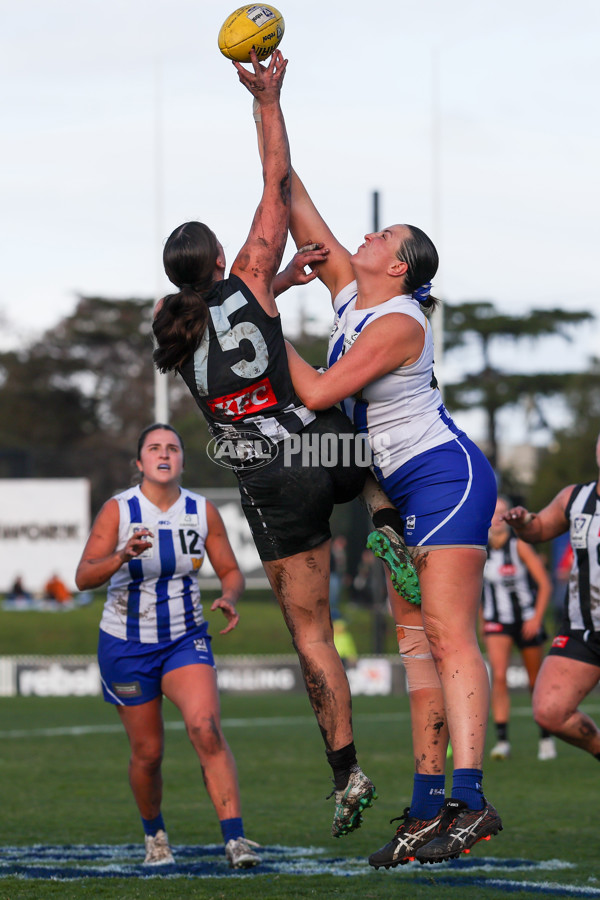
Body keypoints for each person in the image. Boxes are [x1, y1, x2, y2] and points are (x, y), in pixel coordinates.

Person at [151, 50, 415, 838]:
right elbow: (278, 179)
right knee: (356, 404)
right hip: (326, 448)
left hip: (271, 479)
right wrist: (267, 97)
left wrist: (272, 297)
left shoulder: (172, 326)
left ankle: (348, 773)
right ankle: (384, 513)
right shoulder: (253, 276)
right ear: (224, 261)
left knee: (309, 633)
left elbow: (212, 329)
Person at [272, 129, 502, 864]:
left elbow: (312, 390)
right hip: (403, 495)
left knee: (446, 634)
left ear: (398, 265)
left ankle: (471, 802)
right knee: (416, 652)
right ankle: (428, 809)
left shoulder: (399, 320)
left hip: (446, 479)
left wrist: (258, 317)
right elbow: (291, 193)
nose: (364, 236)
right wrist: (268, 105)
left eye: (382, 234)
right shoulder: (355, 304)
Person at [75, 423, 260, 869]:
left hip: (184, 637)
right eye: (154, 448)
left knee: (205, 728)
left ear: (181, 460)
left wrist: (229, 597)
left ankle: (235, 839)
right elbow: (83, 576)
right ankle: (155, 834)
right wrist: (121, 555)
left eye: (172, 448)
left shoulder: (201, 511)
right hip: (126, 643)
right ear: (139, 463)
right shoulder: (118, 510)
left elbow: (231, 571)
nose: (164, 454)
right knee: (149, 754)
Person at [504, 432, 600, 765]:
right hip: (582, 630)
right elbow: (540, 528)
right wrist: (523, 522)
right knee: (549, 711)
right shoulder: (576, 498)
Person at [482, 496, 556, 761]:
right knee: (498, 676)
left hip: (526, 619)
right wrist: (481, 619)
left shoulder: (520, 545)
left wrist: (536, 618)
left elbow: (545, 584)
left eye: (502, 512)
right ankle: (502, 741)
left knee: (535, 680)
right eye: (494, 512)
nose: (498, 518)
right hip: (496, 619)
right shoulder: (480, 548)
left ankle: (546, 738)